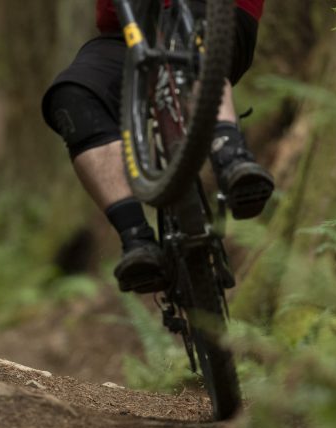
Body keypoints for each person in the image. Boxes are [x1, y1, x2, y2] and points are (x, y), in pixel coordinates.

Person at [42, 0, 273, 293]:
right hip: (131, 32)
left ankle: (232, 157)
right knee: (74, 96)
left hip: (215, 16)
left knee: (185, 43)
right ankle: (136, 237)